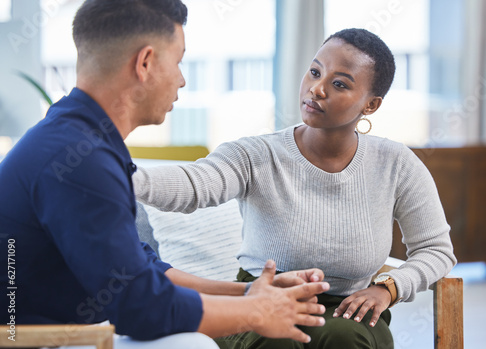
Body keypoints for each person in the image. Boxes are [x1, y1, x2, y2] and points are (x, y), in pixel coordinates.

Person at [0, 1, 332, 348]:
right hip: (23, 340)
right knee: (191, 344)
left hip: (54, 334)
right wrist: (257, 312)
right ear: (144, 63)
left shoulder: (79, 140)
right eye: (178, 61)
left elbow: (143, 271)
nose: (182, 79)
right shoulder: (80, 159)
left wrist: (248, 293)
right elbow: (141, 308)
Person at [133, 28, 457, 348]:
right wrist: (120, 176)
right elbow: (195, 183)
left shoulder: (396, 163)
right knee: (275, 342)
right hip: (263, 295)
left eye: (339, 83)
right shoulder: (256, 154)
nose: (316, 89)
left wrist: (389, 288)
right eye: (315, 72)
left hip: (348, 308)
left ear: (370, 105)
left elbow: (436, 249)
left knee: (344, 337)